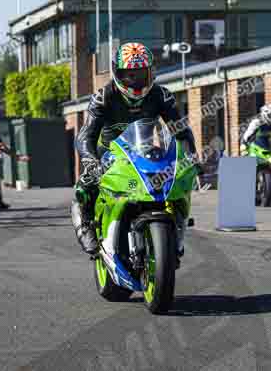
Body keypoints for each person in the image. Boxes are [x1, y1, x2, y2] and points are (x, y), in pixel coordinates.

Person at [73, 42, 197, 255]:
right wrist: (89, 159)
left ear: (151, 73)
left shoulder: (162, 96)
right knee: (85, 186)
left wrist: (190, 156)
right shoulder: (103, 97)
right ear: (117, 74)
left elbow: (181, 131)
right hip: (109, 154)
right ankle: (85, 224)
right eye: (129, 75)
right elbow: (86, 135)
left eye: (140, 74)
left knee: (180, 178)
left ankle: (177, 226)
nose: (135, 81)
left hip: (145, 151)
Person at [240, 104, 271, 206]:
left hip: (270, 149)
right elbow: (246, 136)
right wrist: (243, 146)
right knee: (249, 167)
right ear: (266, 115)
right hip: (256, 148)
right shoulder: (256, 123)